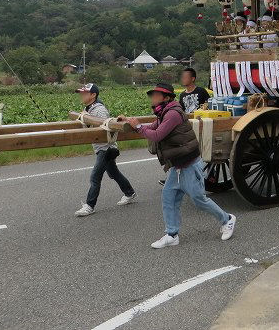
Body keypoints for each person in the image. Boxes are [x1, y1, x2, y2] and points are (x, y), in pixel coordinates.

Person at [120, 83, 236, 247]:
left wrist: (138, 127)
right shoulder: (163, 113)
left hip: (189, 164)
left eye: (155, 94)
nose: (152, 97)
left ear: (166, 98)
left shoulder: (173, 114)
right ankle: (172, 234)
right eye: (151, 94)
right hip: (178, 165)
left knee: (199, 199)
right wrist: (131, 122)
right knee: (168, 197)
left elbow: (158, 135)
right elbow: (151, 127)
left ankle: (227, 219)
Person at [74, 83, 136, 217]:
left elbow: (105, 128)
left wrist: (85, 119)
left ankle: (90, 205)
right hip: (102, 147)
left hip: (106, 149)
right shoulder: (89, 108)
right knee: (114, 173)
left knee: (95, 178)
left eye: (84, 93)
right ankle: (129, 192)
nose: (81, 95)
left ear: (93, 95)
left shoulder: (99, 110)